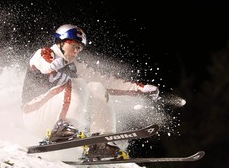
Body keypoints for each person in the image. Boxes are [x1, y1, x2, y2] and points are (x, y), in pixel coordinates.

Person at [21, 24, 159, 159]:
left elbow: (106, 81)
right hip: (34, 113)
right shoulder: (44, 53)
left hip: (54, 120)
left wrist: (139, 88)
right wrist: (60, 63)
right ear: (61, 43)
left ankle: (100, 142)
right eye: (73, 45)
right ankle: (62, 130)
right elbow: (46, 67)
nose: (76, 51)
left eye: (79, 48)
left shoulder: (74, 66)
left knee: (97, 87)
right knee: (77, 83)